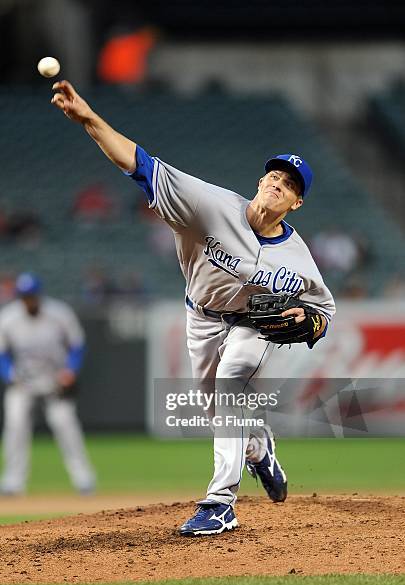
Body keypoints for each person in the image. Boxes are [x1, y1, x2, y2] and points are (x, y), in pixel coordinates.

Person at [51, 81, 335, 535]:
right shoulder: (208, 204)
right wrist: (88, 118)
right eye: (276, 177)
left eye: (290, 185)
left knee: (229, 384)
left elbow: (323, 312)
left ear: (297, 203)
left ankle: (221, 503)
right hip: (201, 317)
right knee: (216, 411)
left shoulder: (299, 257)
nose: (279, 185)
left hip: (252, 326)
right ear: (260, 182)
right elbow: (139, 165)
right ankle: (259, 449)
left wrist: (310, 321)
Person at [0, 272, 96, 495]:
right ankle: (13, 482)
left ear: (39, 295)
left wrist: (70, 370)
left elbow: (77, 345)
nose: (28, 300)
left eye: (31, 295)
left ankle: (84, 479)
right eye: (24, 296)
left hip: (55, 381)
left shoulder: (59, 313)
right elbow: (2, 353)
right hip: (23, 381)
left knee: (65, 424)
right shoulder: (8, 318)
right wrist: (9, 373)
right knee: (15, 425)